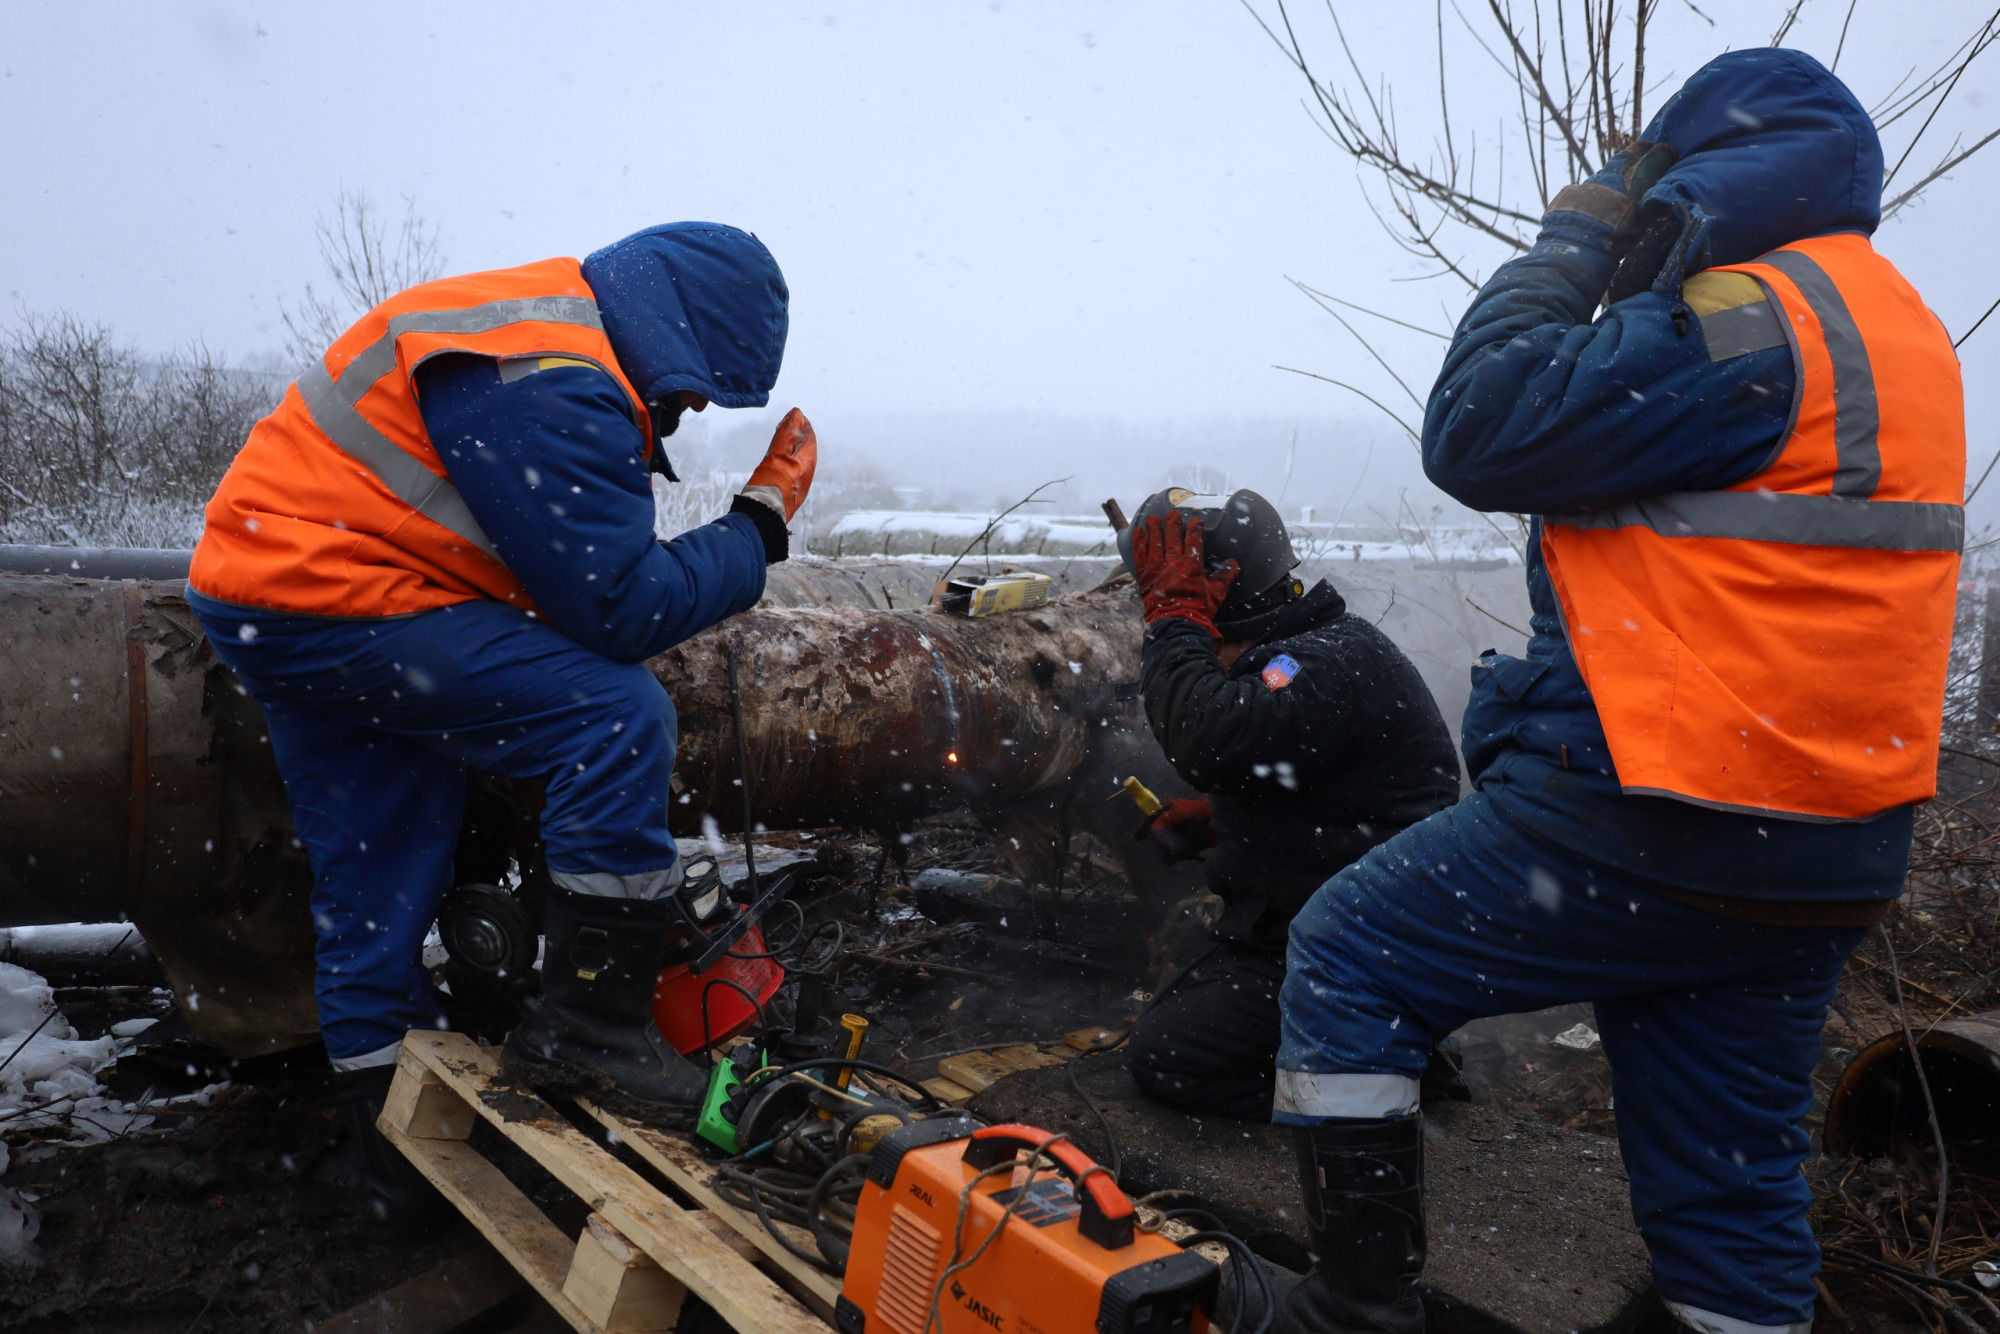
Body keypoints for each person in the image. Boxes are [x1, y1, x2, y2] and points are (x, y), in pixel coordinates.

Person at [1271, 50, 1963, 1334]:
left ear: (1703, 173)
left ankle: (1353, 1311)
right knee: (1728, 1189)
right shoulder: (1894, 325)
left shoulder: (1750, 316)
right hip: (1827, 846)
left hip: (1665, 809)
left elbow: (1476, 425)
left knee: (1347, 952)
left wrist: (1569, 237)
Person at [185, 223, 815, 1209]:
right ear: (679, 332)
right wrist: (756, 528)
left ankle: (398, 1162)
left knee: (375, 881)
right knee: (616, 718)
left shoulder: (538, 329)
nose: (690, 411)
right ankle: (591, 1031)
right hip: (336, 600)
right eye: (700, 387)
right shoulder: (550, 373)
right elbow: (621, 607)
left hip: (277, 595)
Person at [1116, 488, 1458, 1119]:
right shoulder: (1310, 649)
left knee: (1169, 1055)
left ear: (1221, 595)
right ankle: (1373, 1046)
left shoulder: (1314, 665)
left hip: (1365, 952)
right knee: (1185, 988)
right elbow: (1329, 789)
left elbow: (1209, 740)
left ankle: (1369, 1091)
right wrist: (1223, 823)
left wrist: (1175, 620)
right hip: (1348, 928)